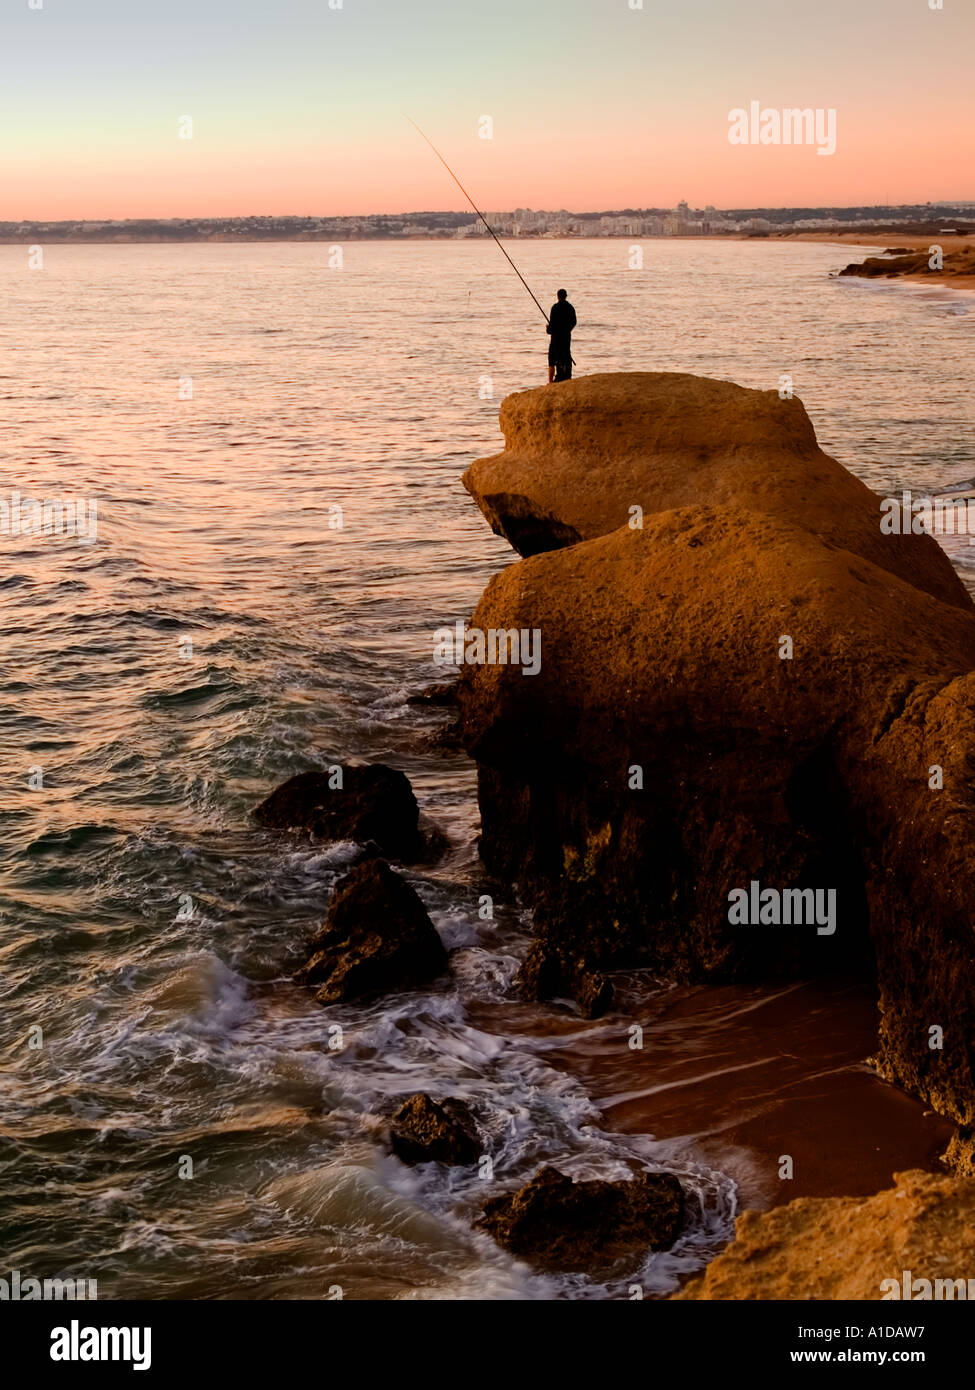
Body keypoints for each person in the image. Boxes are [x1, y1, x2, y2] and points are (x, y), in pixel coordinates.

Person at [546, 288, 576, 383]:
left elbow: (552, 326)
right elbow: (574, 322)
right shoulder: (570, 307)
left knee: (552, 359)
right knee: (566, 355)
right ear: (566, 296)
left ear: (557, 296)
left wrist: (548, 329)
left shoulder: (555, 307)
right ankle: (567, 376)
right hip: (566, 337)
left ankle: (551, 381)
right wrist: (567, 330)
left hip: (556, 338)